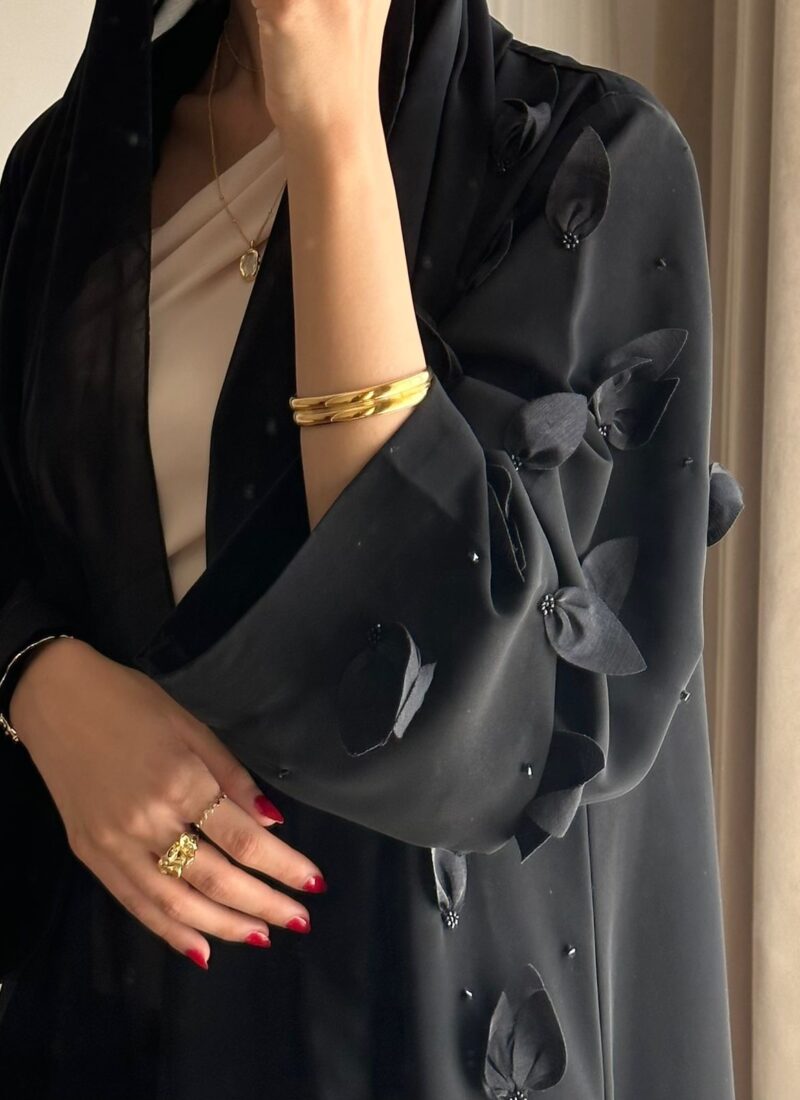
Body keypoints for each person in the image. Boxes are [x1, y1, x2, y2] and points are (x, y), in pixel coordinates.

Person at [0, 0, 743, 1096]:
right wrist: (39, 681)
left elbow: (478, 702)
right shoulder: (65, 176)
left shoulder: (587, 161)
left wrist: (335, 129)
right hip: (111, 1006)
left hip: (405, 1017)